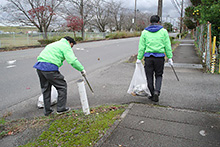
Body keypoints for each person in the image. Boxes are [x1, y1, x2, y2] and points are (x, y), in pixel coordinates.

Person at [33, 36, 86, 116]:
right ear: (69, 42)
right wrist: (81, 69)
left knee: (46, 89)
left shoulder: (53, 44)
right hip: (50, 68)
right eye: (72, 46)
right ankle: (61, 109)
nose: (71, 48)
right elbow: (72, 60)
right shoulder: (65, 46)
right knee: (62, 86)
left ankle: (47, 111)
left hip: (40, 67)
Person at [136, 15, 173, 102]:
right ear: (159, 22)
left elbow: (142, 47)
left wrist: (139, 58)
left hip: (148, 58)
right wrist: (170, 57)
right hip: (160, 58)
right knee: (159, 75)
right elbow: (167, 46)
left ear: (150, 22)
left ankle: (152, 93)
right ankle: (157, 91)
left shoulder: (145, 32)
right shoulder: (164, 32)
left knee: (149, 76)